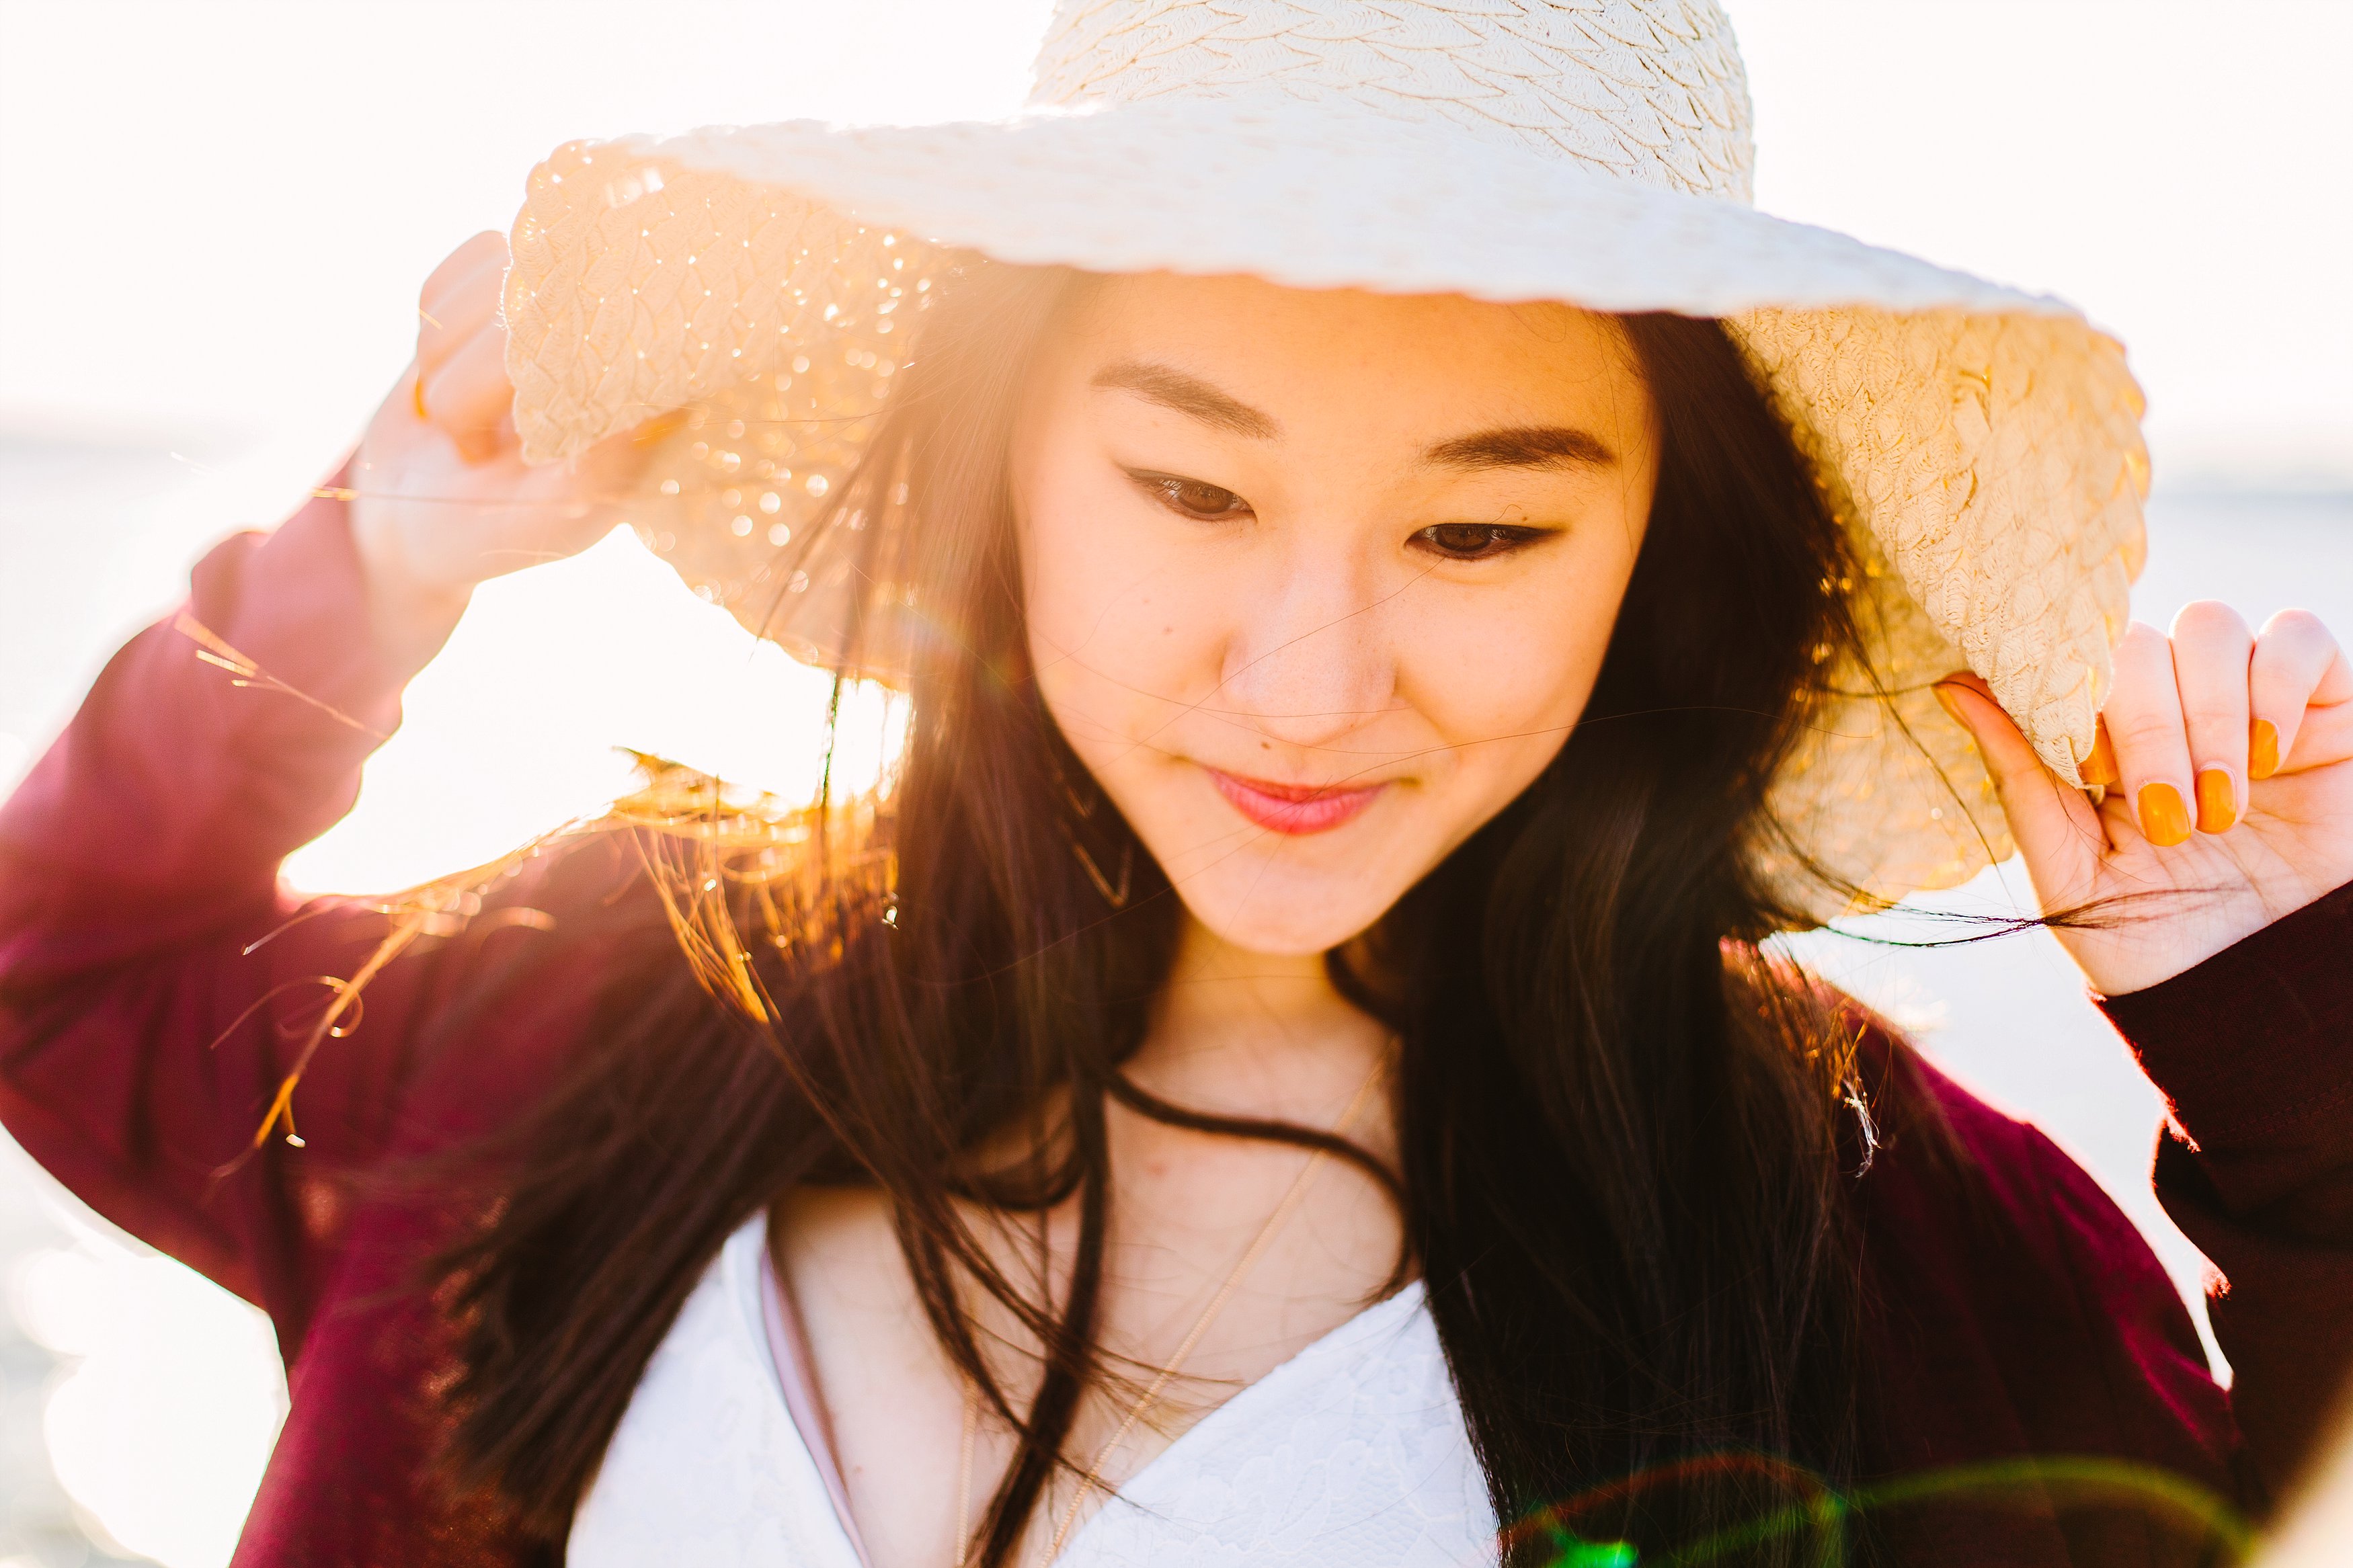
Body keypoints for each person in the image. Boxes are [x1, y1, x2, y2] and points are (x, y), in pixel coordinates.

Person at [3, 3, 2348, 1565]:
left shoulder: (1839, 1231)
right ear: (1011, 468)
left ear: (1654, 560)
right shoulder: (579, 1009)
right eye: (1191, 496)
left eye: (1478, 530)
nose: (1304, 681)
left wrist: (2286, 1062)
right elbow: (61, 978)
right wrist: (364, 568)